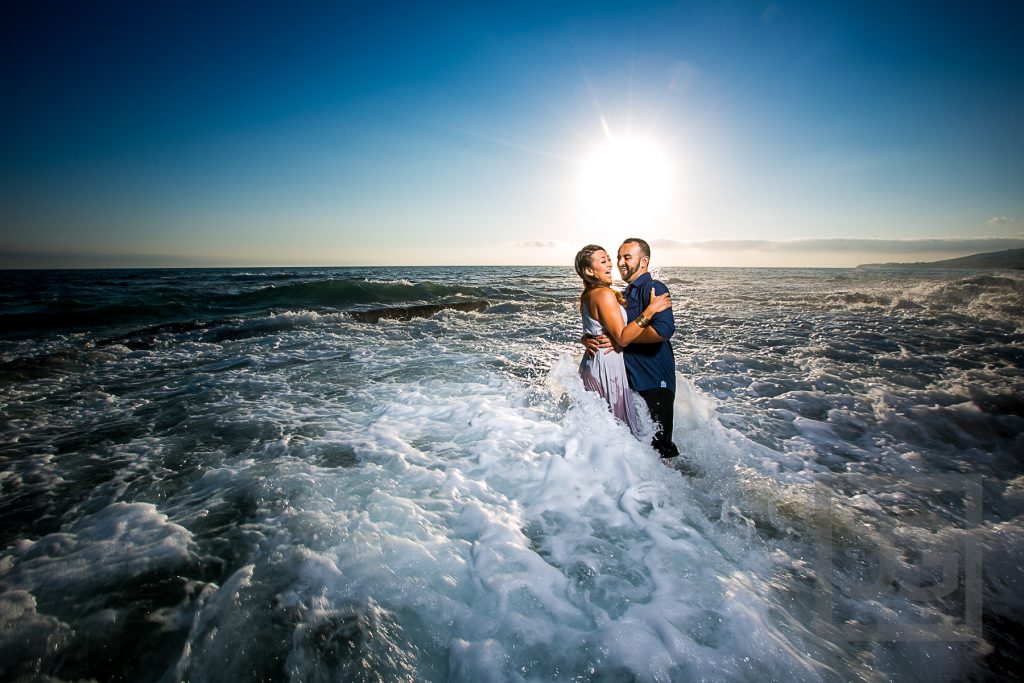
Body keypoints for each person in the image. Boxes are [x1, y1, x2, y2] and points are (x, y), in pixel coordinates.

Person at [584, 238, 682, 460]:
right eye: (618, 257)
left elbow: (663, 331)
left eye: (627, 257)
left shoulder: (654, 288)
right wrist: (587, 337)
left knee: (661, 447)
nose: (620, 262)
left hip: (655, 380)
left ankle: (681, 489)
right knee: (639, 447)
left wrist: (621, 340)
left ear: (644, 261)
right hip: (630, 381)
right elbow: (605, 325)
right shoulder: (624, 295)